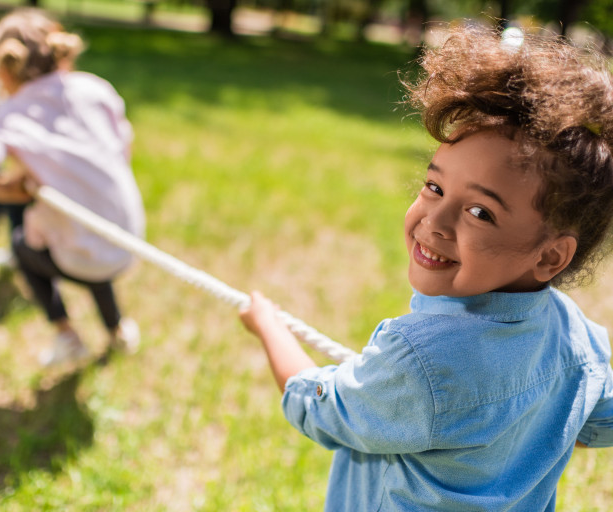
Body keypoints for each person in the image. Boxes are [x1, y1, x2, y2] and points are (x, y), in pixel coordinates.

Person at [239, 25, 613, 511]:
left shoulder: (421, 362)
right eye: (434, 187)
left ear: (549, 256)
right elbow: (601, 420)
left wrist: (269, 326)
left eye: (481, 212)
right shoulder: (576, 338)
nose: (433, 222)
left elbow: (324, 409)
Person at [0, 8, 145, 365]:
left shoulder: (10, 113)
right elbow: (124, 145)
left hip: (87, 252)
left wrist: (11, 191)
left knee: (23, 246)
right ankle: (117, 330)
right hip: (128, 240)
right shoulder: (94, 87)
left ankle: (67, 335)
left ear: (3, 68)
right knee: (86, 236)